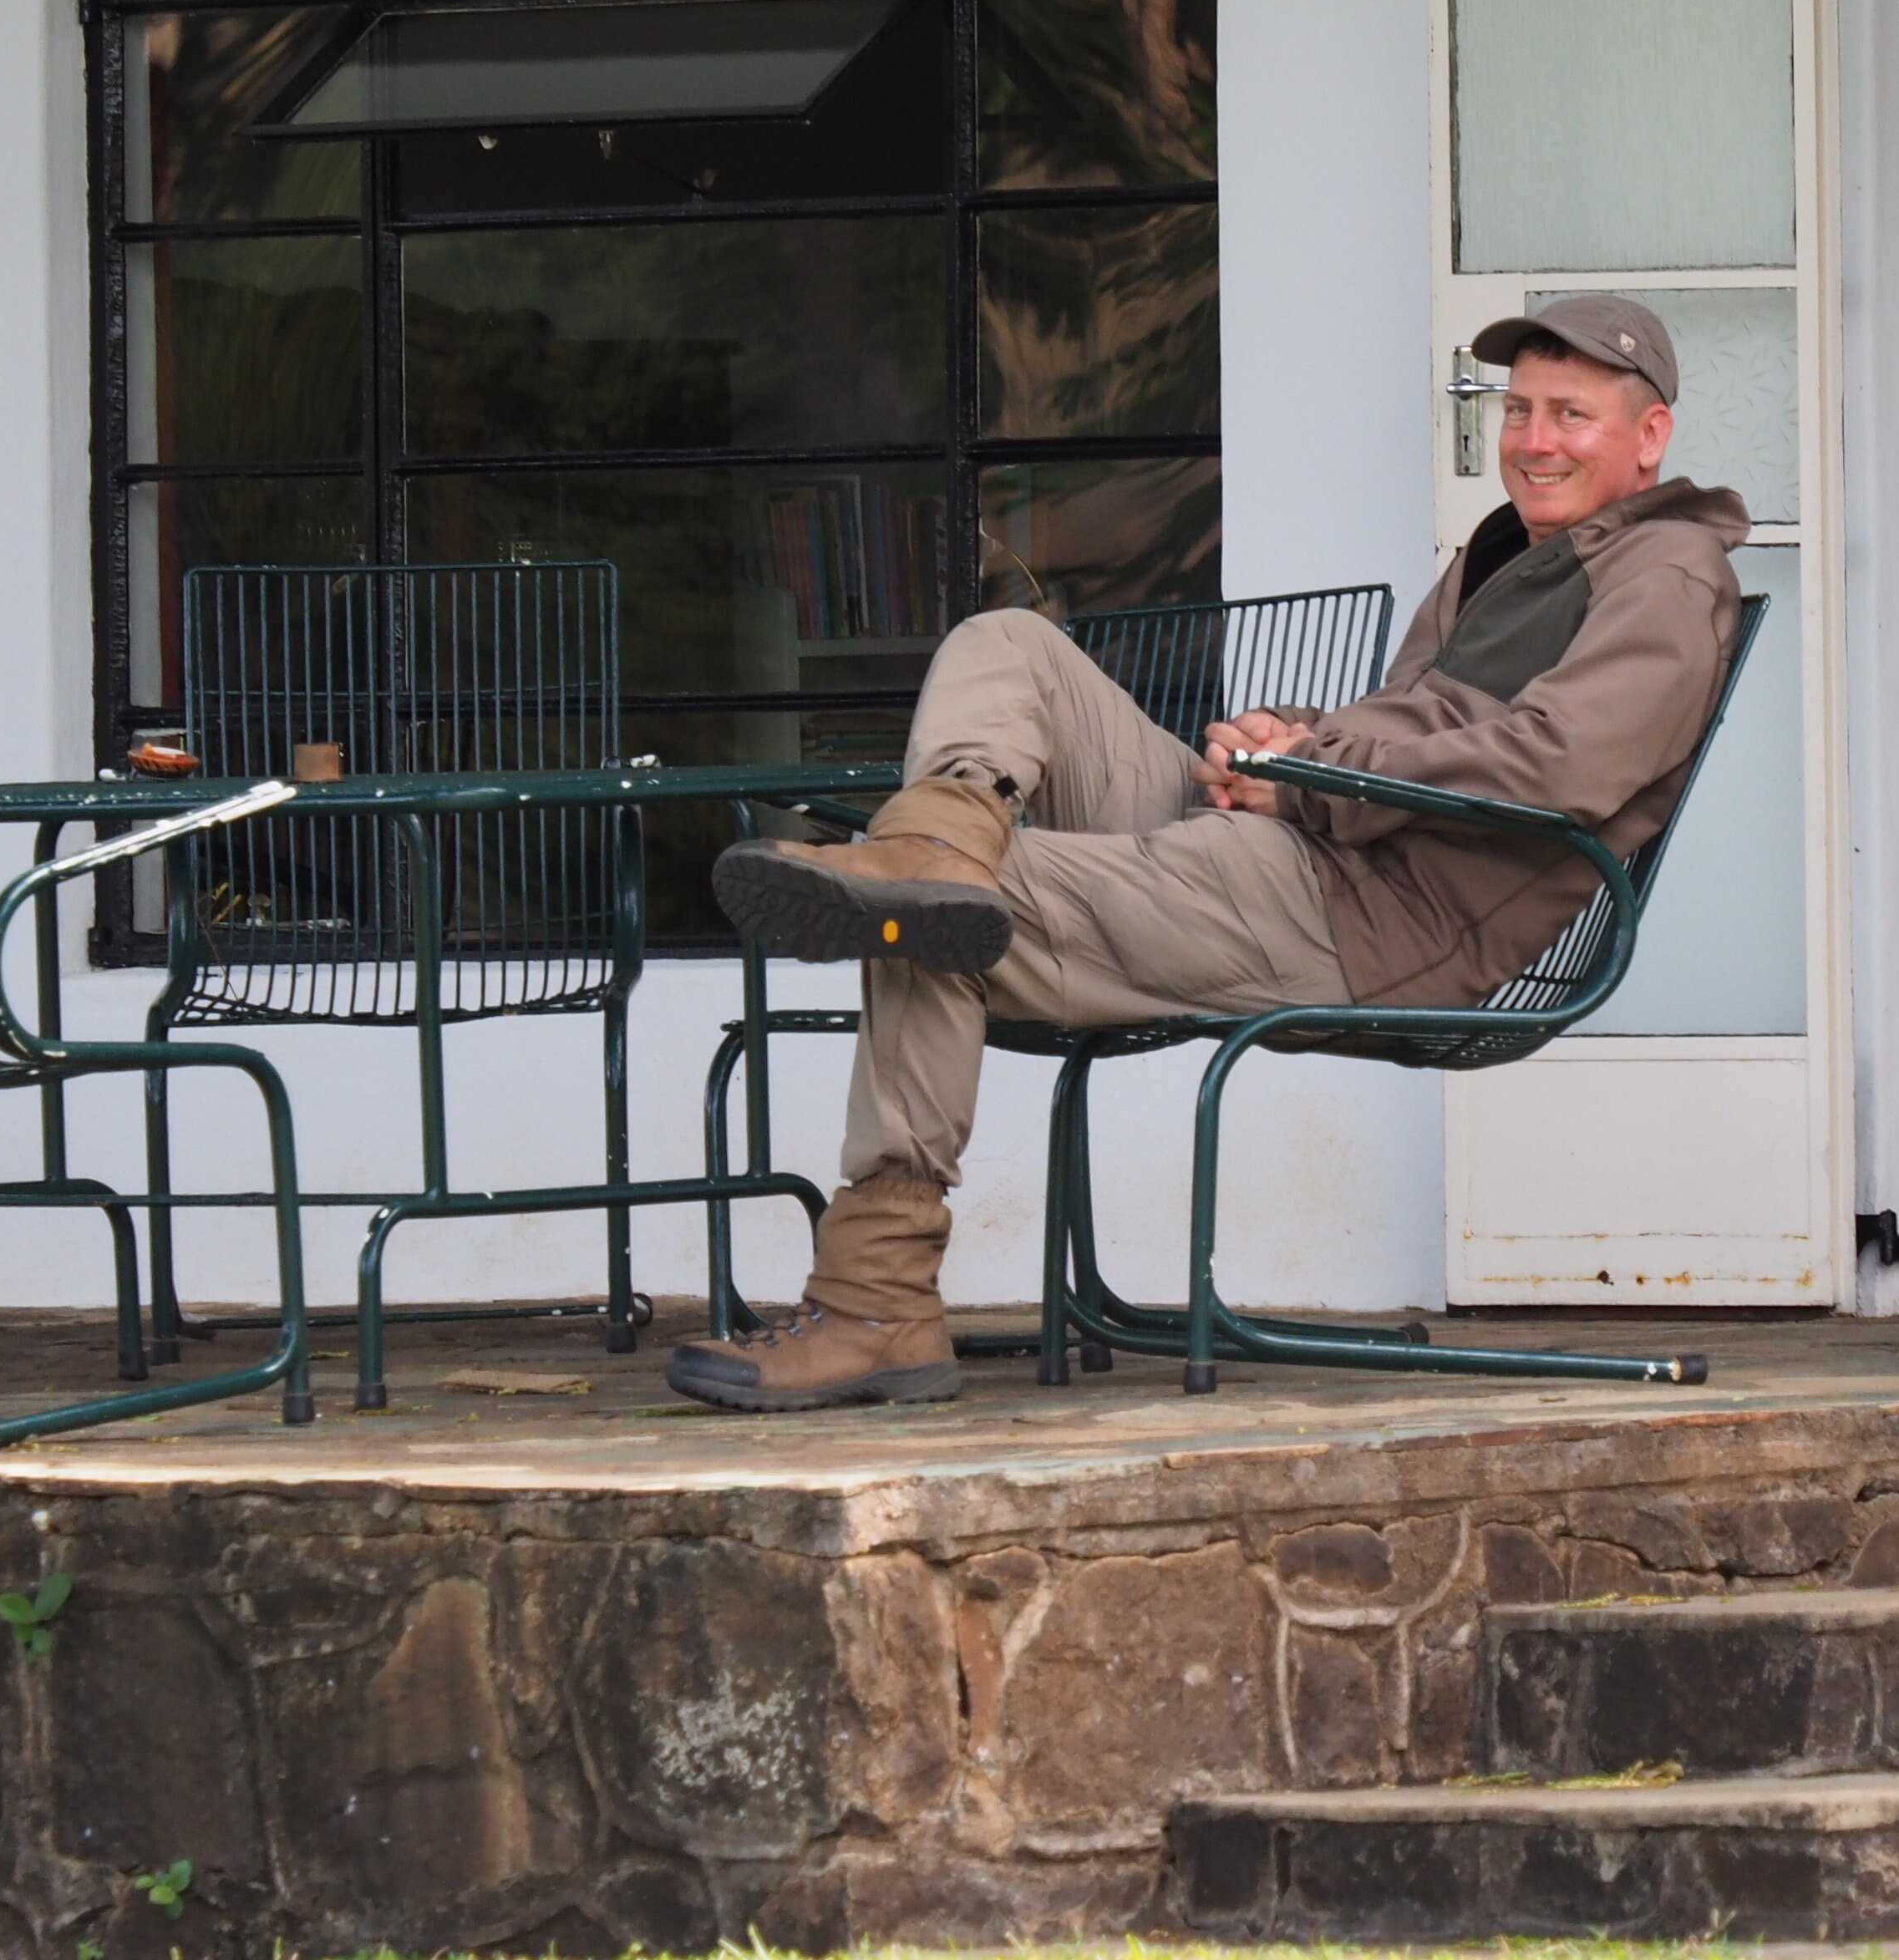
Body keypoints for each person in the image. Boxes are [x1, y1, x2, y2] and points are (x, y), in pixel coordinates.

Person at [669, 293, 1750, 1410]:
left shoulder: (1663, 573)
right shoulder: (1509, 558)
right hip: (1313, 848)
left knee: (943, 909)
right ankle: (931, 848)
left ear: (1650, 437)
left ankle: (873, 1301)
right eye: (1521, 410)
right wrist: (1284, 739)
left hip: (1371, 923)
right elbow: (1406, 722)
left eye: (1570, 415)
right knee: (1009, 649)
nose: (1532, 441)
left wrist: (1311, 785)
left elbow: (1557, 768)